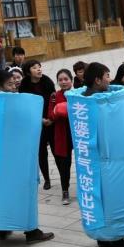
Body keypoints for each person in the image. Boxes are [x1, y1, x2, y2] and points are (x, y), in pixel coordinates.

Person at [0, 69, 55, 244]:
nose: (14, 87)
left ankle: (3, 227)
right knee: (25, 190)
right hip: (19, 157)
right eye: (9, 84)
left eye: (14, 83)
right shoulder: (11, 102)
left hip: (1, 159)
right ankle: (31, 231)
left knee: (3, 191)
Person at [81, 62, 124, 247]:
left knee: (96, 197)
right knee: (113, 196)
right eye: (107, 76)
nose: (110, 80)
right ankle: (117, 241)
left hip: (89, 161)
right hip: (110, 159)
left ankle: (102, 241)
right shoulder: (104, 102)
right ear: (97, 80)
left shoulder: (81, 100)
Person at [20, 60, 56, 190]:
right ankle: (47, 179)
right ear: (28, 72)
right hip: (36, 124)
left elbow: (54, 100)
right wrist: (40, 120)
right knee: (41, 152)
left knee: (56, 151)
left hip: (51, 121)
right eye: (35, 68)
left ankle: (64, 178)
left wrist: (51, 118)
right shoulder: (24, 85)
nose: (39, 69)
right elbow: (25, 107)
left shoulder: (47, 81)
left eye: (39, 67)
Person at [49, 69, 74, 205]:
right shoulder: (54, 96)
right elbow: (50, 115)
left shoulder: (78, 94)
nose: (63, 82)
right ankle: (65, 190)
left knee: (86, 161)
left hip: (79, 133)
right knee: (64, 164)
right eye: (60, 80)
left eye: (66, 79)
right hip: (63, 134)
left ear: (71, 80)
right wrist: (58, 110)